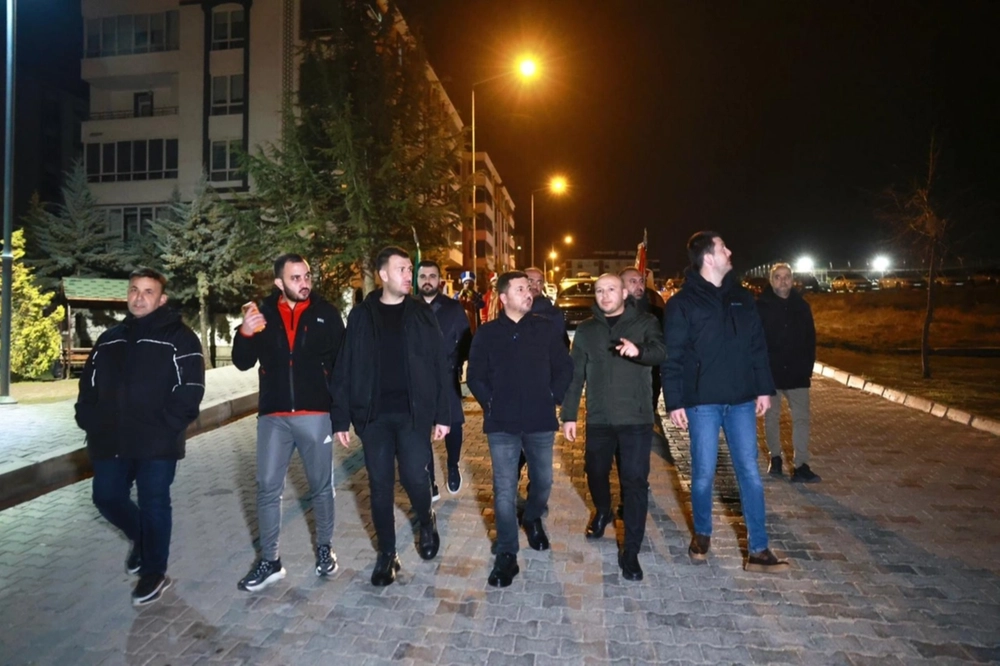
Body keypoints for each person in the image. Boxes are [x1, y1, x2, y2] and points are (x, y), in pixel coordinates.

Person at [75, 268, 205, 606]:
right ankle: (142, 539)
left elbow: (191, 388)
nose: (139, 297)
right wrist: (88, 418)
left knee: (154, 502)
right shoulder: (110, 338)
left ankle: (154, 571)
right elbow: (88, 384)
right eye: (134, 289)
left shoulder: (180, 337)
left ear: (162, 299)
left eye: (148, 291)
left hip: (157, 441)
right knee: (106, 497)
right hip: (111, 439)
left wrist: (168, 425)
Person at [661, 231, 789, 573]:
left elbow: (757, 346)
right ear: (708, 257)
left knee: (750, 472)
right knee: (703, 474)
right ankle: (702, 534)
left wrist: (764, 388)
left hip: (742, 401)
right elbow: (673, 357)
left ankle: (758, 549)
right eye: (722, 247)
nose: (730, 251)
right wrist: (674, 401)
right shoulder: (682, 304)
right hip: (702, 402)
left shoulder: (743, 298)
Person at [331, 247, 451, 586]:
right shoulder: (361, 316)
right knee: (380, 485)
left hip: (413, 414)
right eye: (402, 269)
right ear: (383, 275)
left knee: (415, 477)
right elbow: (345, 366)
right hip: (374, 417)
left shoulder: (421, 313)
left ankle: (425, 519)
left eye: (410, 269)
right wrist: (340, 418)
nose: (409, 275)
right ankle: (387, 554)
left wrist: (443, 414)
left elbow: (439, 364)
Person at [232, 254, 345, 592]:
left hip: (316, 414)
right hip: (274, 415)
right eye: (295, 278)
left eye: (306, 276)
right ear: (279, 282)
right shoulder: (262, 313)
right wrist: (245, 333)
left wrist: (341, 415)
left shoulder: (326, 313)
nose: (304, 283)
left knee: (321, 486)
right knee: (268, 487)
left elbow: (342, 366)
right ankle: (270, 561)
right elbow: (241, 362)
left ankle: (324, 549)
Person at [467, 271, 574, 587]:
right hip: (502, 423)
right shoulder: (487, 334)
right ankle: (507, 553)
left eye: (529, 289)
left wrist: (553, 396)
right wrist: (491, 403)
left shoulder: (545, 328)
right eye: (520, 289)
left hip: (539, 420)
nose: (528, 293)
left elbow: (564, 367)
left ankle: (532, 517)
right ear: (503, 298)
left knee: (543, 480)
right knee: (504, 488)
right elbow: (475, 376)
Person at [561, 274, 665, 581]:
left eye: (611, 289)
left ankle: (630, 551)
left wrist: (639, 351)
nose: (605, 295)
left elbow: (662, 352)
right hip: (599, 418)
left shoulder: (645, 322)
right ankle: (603, 510)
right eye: (599, 291)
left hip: (636, 419)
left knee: (634, 483)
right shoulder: (586, 330)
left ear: (624, 293)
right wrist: (569, 415)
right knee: (594, 472)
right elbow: (575, 374)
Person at [757, 262, 820, 483]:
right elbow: (754, 342)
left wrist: (807, 368)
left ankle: (801, 465)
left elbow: (810, 339)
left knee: (801, 419)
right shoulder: (761, 307)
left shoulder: (802, 307)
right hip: (771, 373)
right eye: (778, 277)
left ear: (793, 280)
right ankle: (775, 458)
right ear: (771, 280)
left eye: (787, 277)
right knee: (771, 417)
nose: (783, 281)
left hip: (797, 373)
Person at [417, 260, 473, 496]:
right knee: (420, 430)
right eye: (423, 276)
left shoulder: (453, 308)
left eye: (432, 276)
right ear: (417, 280)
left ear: (439, 280)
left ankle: (452, 465)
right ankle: (429, 480)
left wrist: (456, 363)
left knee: (454, 424)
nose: (427, 281)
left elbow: (466, 339)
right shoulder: (409, 308)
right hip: (418, 378)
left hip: (447, 375)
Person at [620, 267, 664, 417]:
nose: (639, 286)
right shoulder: (612, 313)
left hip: (649, 381)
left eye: (641, 281)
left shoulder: (656, 313)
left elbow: (662, 348)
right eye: (633, 281)